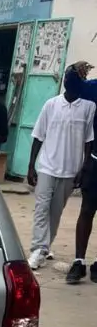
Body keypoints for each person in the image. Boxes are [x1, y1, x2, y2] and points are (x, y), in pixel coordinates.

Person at [26, 82, 95, 271]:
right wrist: (32, 165)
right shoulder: (51, 104)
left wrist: (83, 168)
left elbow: (89, 141)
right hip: (47, 166)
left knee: (55, 211)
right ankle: (38, 248)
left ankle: (45, 245)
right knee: (41, 208)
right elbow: (38, 135)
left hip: (70, 170)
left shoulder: (88, 107)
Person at [62, 62, 97, 283]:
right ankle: (79, 262)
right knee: (87, 211)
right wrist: (73, 70)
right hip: (96, 162)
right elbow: (74, 86)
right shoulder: (96, 87)